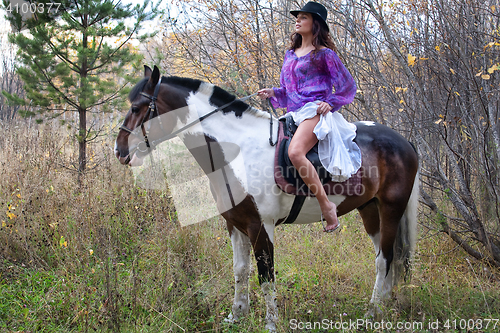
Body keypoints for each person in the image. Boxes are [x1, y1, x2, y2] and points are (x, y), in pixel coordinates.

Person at [258, 1, 360, 232]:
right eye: (298, 17)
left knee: (295, 152)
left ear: (316, 24)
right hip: (294, 114)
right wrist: (273, 92)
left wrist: (330, 102)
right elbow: (288, 91)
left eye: (304, 17)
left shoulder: (324, 55)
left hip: (314, 110)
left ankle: (326, 206)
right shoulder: (290, 55)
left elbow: (347, 87)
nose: (298, 20)